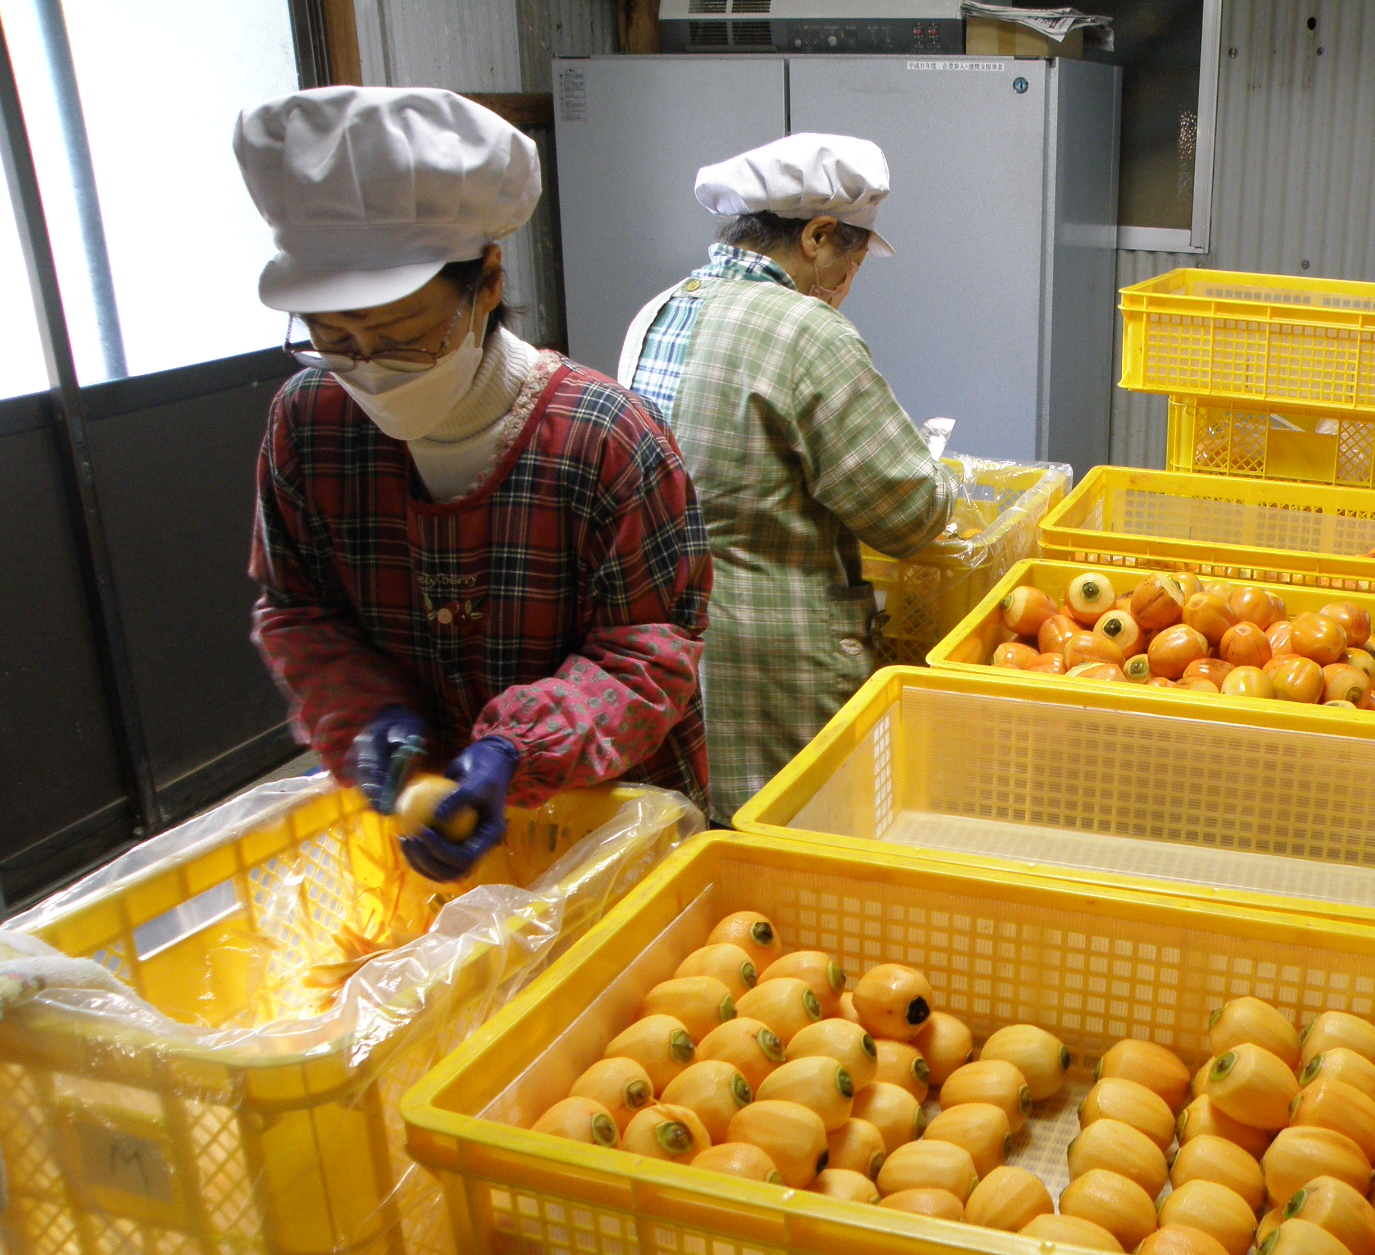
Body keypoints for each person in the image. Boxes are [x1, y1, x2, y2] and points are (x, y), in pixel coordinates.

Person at [237, 87, 711, 879]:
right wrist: (368, 719)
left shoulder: (606, 440)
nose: (371, 369)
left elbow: (648, 650)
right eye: (334, 339)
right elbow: (299, 608)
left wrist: (515, 748)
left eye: (405, 336)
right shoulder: (310, 424)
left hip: (601, 818)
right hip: (417, 834)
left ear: (487, 282)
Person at [618, 133, 955, 823]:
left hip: (669, 658)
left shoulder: (657, 310)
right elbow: (910, 516)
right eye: (852, 259)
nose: (848, 284)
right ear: (819, 235)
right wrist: (943, 480)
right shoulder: (807, 332)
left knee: (698, 854)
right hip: (775, 672)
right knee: (794, 851)